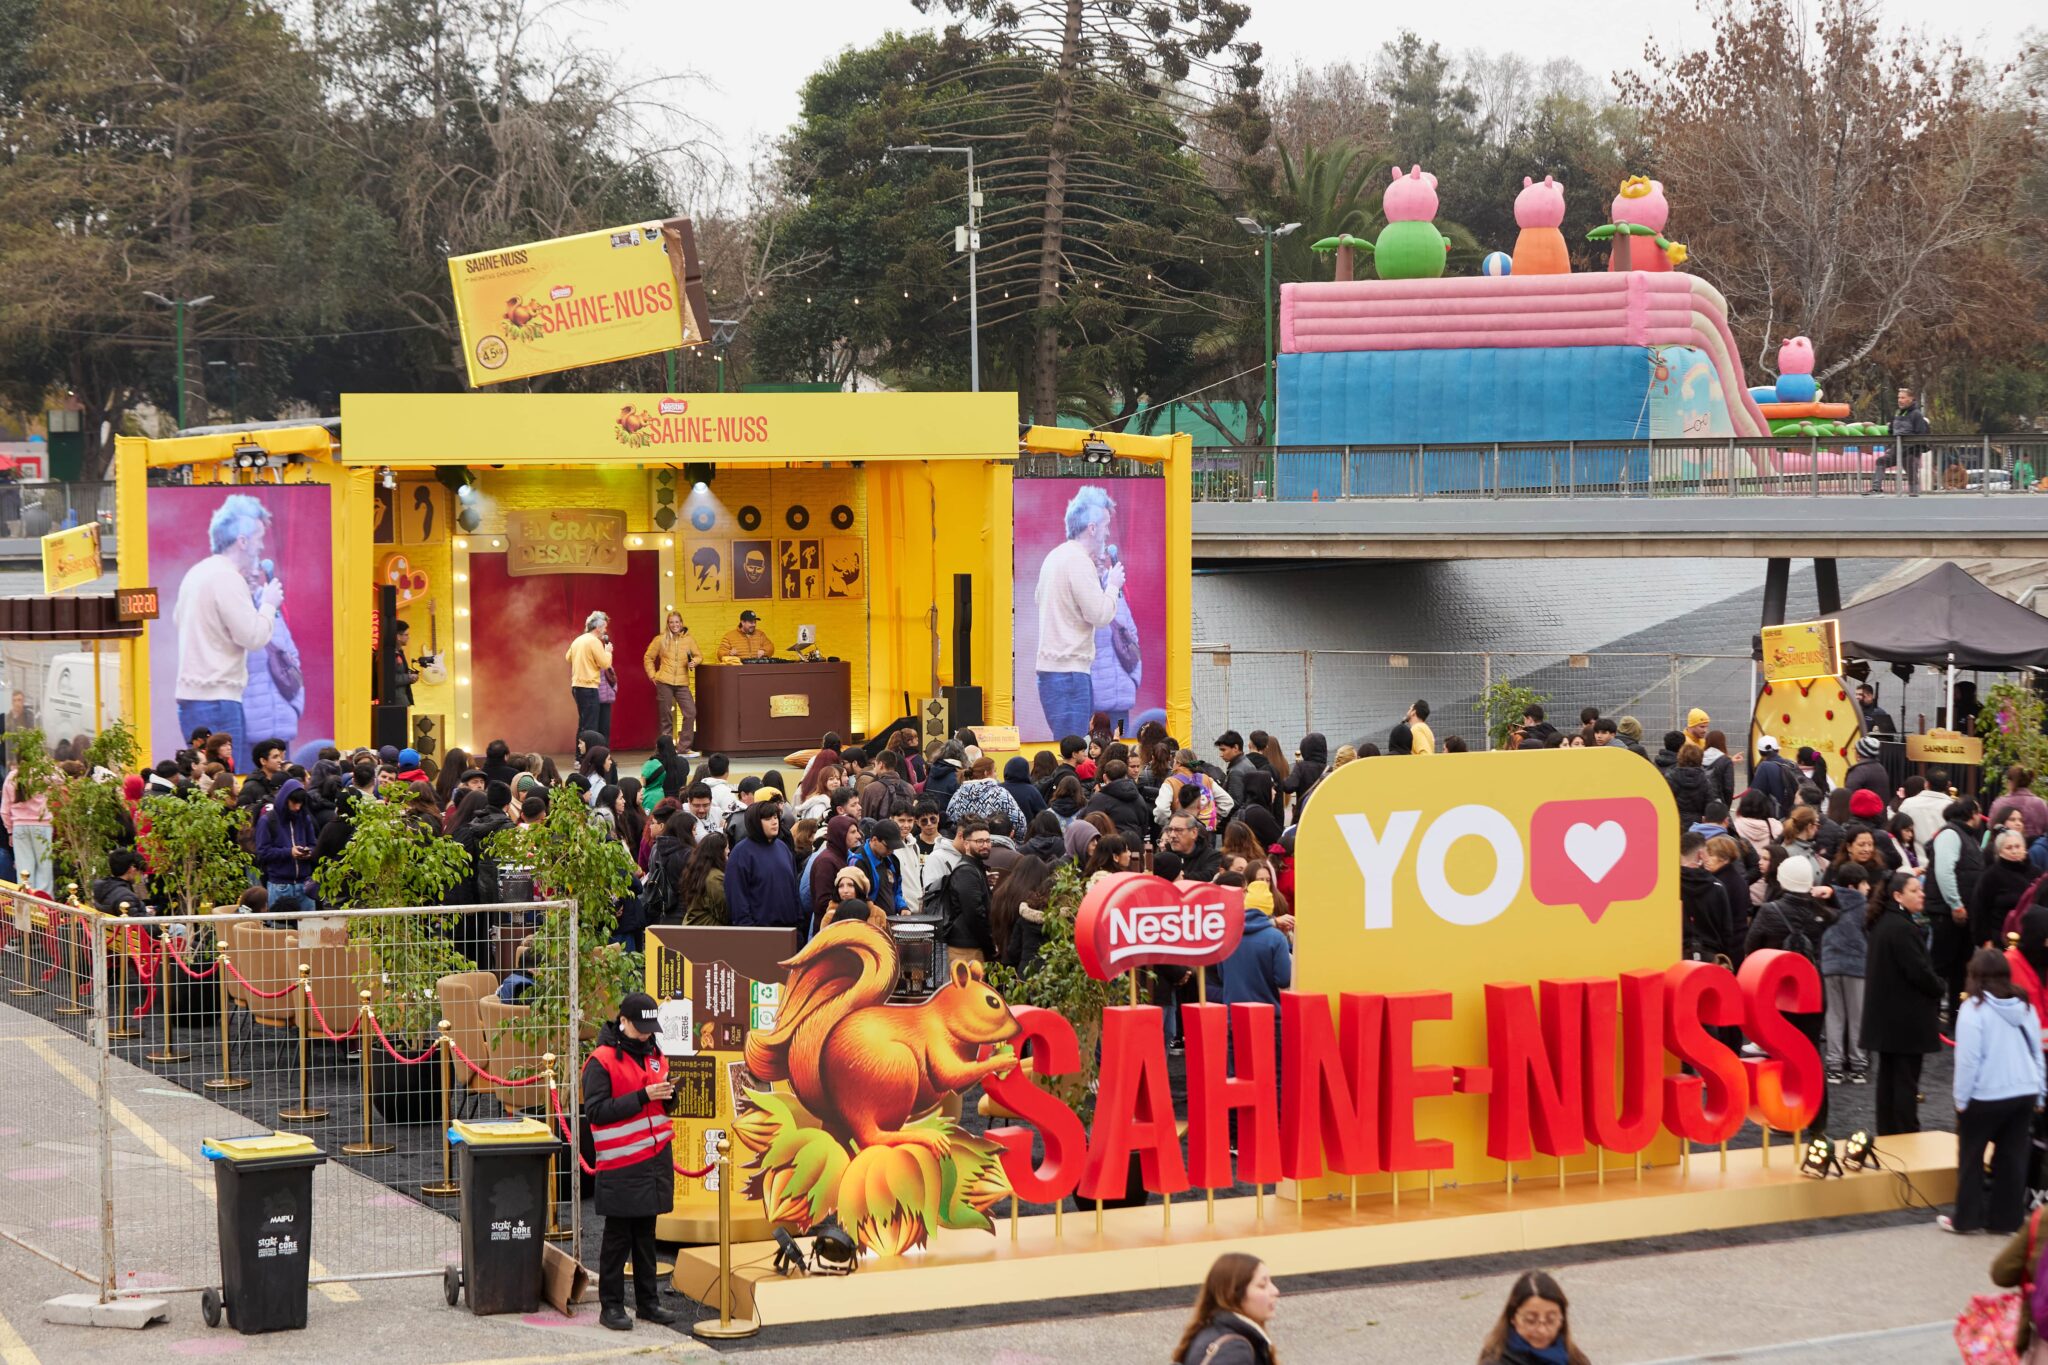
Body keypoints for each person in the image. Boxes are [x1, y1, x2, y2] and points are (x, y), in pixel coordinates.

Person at [581, 993, 679, 1331]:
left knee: (646, 1235)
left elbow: (663, 1108)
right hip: (621, 1162)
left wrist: (669, 1096)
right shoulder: (602, 1060)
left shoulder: (655, 1054)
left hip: (654, 1160)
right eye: (642, 1028)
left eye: (651, 1029)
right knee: (618, 1236)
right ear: (623, 1021)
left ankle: (648, 1303)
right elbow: (596, 1111)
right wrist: (642, 1097)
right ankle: (611, 1305)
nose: (647, 1035)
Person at [172, 493, 285, 763]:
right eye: (258, 539)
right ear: (242, 541)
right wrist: (268, 604)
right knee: (225, 782)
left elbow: (180, 620)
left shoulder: (197, 573)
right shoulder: (227, 578)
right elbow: (253, 636)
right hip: (218, 700)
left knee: (206, 778)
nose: (260, 548)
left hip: (194, 699)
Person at [1942, 948, 2046, 1235]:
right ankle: (2006, 1220)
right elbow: (2037, 1051)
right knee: (2012, 1159)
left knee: (1971, 1158)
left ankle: (1967, 1218)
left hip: (1985, 1094)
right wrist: (2040, 1092)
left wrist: (1960, 1099)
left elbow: (1968, 1060)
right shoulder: (2025, 1006)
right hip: (2024, 1090)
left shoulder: (1973, 1009)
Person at [1034, 485, 1125, 741]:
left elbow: (1050, 602)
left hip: (1055, 673)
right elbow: (1100, 615)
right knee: (1074, 751)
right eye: (1105, 525)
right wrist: (1112, 586)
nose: (1108, 532)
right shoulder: (1078, 560)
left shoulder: (1056, 556)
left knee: (1071, 747)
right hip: (1070, 674)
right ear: (1092, 527)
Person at [1862, 872, 1945, 1135]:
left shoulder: (1884, 924)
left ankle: (1889, 1133)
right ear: (1898, 896)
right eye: (1914, 890)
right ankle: (1905, 1134)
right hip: (1905, 1021)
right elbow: (1919, 972)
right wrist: (1939, 987)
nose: (1922, 893)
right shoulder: (1903, 928)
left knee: (1888, 1082)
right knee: (1904, 1083)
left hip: (1889, 1020)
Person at [1171, 1253, 1280, 1365]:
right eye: (1262, 1285)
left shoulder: (1207, 1333)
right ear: (1234, 1294)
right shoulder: (1234, 1350)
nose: (1275, 1291)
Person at [1478, 1270, 1591, 1365]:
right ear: (1513, 1318)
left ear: (1561, 1319)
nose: (1542, 1330)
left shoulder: (1576, 1360)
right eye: (1531, 1321)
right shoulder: (1495, 1361)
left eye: (1550, 1320)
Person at [725, 801, 801, 927]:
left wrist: (799, 921)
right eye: (767, 818)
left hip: (788, 929)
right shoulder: (741, 853)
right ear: (755, 822)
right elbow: (737, 897)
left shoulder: (783, 848)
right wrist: (748, 928)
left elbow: (793, 889)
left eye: (775, 817)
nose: (774, 821)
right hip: (759, 932)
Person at [1218, 881, 1292, 1009]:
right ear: (1270, 909)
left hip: (1233, 1013)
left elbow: (1222, 975)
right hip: (1267, 1013)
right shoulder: (1276, 938)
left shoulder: (1226, 935)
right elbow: (1284, 979)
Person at [253, 778, 320, 917]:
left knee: (309, 933)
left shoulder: (304, 819)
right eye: (294, 802)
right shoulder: (267, 820)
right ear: (285, 799)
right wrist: (289, 852)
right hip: (280, 886)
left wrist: (309, 852)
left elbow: (313, 844)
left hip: (305, 886)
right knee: (280, 934)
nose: (297, 807)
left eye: (300, 803)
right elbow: (262, 852)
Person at [642, 611, 702, 753]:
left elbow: (699, 656)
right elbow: (648, 657)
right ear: (668, 624)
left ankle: (684, 747)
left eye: (677, 622)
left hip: (682, 683)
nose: (674, 625)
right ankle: (666, 750)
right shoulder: (660, 639)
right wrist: (652, 675)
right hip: (664, 681)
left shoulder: (689, 640)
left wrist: (694, 662)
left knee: (690, 713)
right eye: (671, 622)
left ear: (681, 623)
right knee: (666, 716)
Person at [1866, 385, 1929, 494]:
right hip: (1897, 448)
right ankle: (1876, 489)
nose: (1900, 400)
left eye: (1903, 398)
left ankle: (1914, 494)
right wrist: (1889, 447)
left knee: (1911, 472)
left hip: (1911, 450)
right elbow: (1891, 431)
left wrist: (1914, 448)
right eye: (1899, 398)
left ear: (1911, 399)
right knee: (1881, 461)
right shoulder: (1898, 413)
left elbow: (1921, 434)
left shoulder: (1916, 414)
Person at [565, 611, 612, 745]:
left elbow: (568, 657)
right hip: (589, 687)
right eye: (605, 626)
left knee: (584, 723)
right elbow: (605, 663)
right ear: (599, 627)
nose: (605, 630)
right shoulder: (594, 642)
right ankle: (587, 758)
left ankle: (580, 758)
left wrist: (584, 659)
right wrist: (607, 652)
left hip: (577, 686)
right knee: (590, 726)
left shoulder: (578, 640)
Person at [1991, 766, 2048, 843]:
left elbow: (1992, 826)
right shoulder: (2040, 804)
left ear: (2010, 782)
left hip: (2006, 847)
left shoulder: (1999, 803)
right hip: (2036, 849)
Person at [1749, 736, 1800, 817]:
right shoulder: (1790, 764)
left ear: (1759, 751)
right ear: (1778, 750)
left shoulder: (1764, 767)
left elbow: (1754, 796)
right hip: (1793, 815)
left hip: (1775, 817)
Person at [1665, 743, 1713, 828]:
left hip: (1675, 823)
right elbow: (1710, 806)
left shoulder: (1670, 778)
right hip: (1697, 824)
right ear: (1700, 759)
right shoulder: (1706, 780)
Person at [1900, 771, 1952, 847]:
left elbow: (1898, 828)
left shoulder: (1908, 803)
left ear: (1926, 784)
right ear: (1949, 785)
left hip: (1915, 856)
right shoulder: (1953, 806)